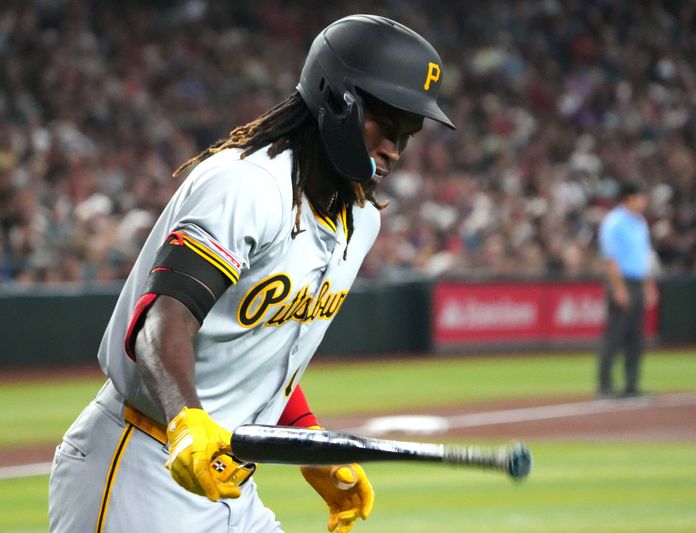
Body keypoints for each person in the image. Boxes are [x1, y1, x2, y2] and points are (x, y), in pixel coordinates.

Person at [48, 14, 454, 533]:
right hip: (141, 463)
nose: (394, 148)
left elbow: (267, 346)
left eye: (407, 134)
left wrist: (311, 440)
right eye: (385, 125)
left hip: (229, 481)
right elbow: (162, 322)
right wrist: (185, 421)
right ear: (337, 100)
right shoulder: (246, 184)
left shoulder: (361, 220)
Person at [596, 181, 658, 399]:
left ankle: (631, 385)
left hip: (638, 281)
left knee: (636, 338)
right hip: (621, 282)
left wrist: (649, 285)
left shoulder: (640, 222)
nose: (644, 201)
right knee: (614, 337)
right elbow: (610, 259)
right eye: (641, 196)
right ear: (629, 198)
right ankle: (605, 387)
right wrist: (618, 288)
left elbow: (645, 256)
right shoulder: (614, 222)